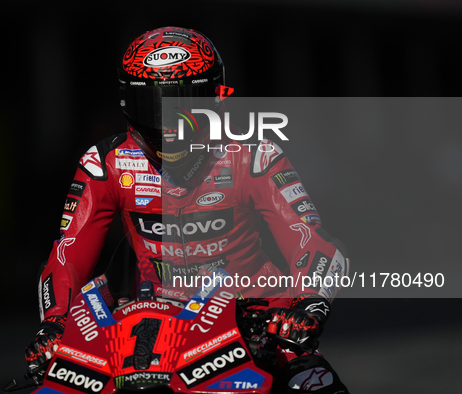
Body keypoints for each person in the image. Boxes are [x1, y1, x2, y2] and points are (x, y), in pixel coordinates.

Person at [25, 26, 350, 393]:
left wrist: (308, 308)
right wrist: (53, 324)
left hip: (258, 325)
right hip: (147, 330)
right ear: (127, 105)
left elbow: (311, 240)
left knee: (318, 385)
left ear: (215, 100)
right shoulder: (105, 164)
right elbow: (68, 253)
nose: (169, 126)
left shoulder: (254, 155)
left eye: (185, 105)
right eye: (153, 106)